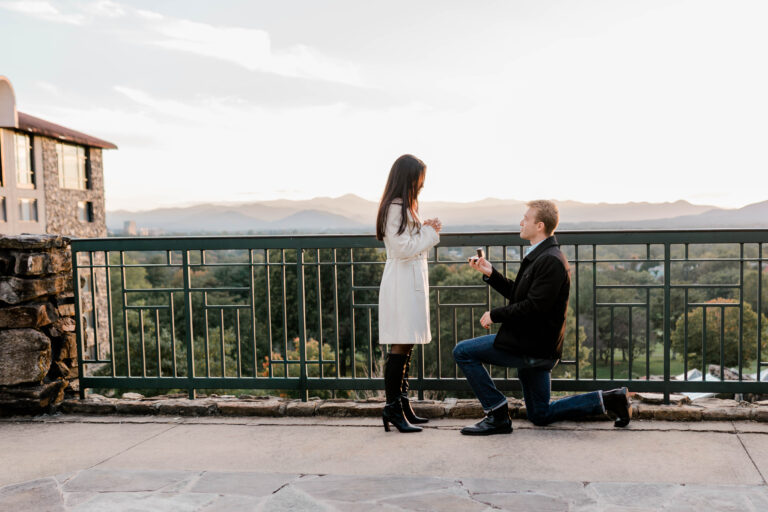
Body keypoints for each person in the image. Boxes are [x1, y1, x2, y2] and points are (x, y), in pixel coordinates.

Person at [452, 200, 631, 435]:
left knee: (462, 352)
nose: (521, 222)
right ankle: (611, 400)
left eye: (525, 218)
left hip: (532, 347)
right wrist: (491, 274)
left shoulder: (550, 260)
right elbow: (521, 295)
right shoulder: (543, 255)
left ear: (539, 225)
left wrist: (494, 315)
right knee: (540, 414)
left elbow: (533, 307)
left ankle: (496, 413)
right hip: (535, 345)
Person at [376, 154, 442, 433]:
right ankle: (392, 408)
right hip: (401, 282)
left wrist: (423, 229)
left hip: (408, 281)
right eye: (419, 181)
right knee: (399, 345)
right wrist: (428, 232)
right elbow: (403, 248)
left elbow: (409, 242)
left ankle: (402, 405)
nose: (421, 186)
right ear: (408, 179)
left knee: (407, 344)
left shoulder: (405, 207)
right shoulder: (394, 208)